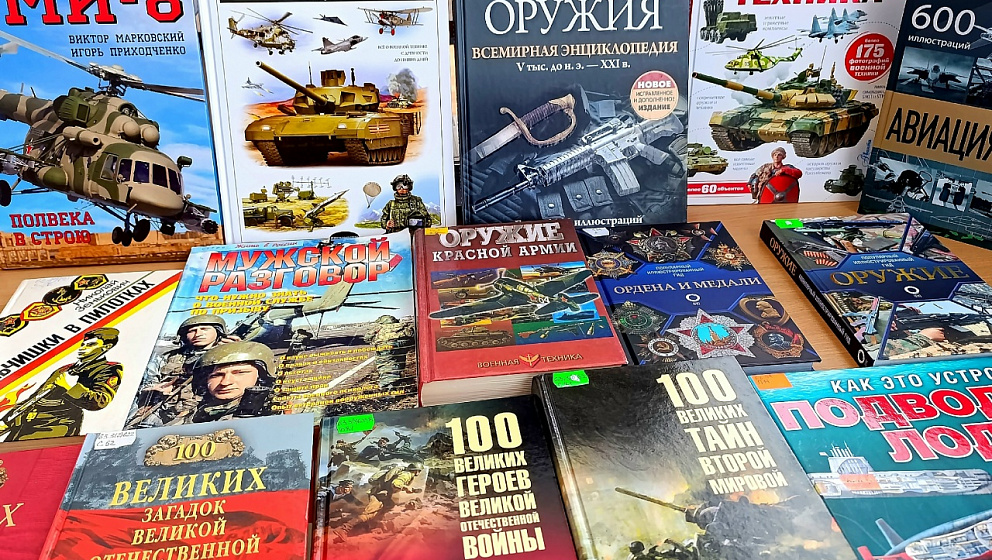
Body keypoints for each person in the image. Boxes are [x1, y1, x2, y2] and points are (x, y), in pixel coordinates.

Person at [1, 328, 122, 440]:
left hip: (55, 427)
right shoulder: (65, 369)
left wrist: (68, 387)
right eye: (83, 344)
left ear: (106, 347)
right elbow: (36, 397)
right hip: (23, 426)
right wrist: (6, 421)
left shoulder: (108, 369)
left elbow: (100, 401)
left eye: (91, 345)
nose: (83, 348)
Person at [130, 315, 236, 427]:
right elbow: (144, 382)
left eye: (205, 329)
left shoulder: (231, 354)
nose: (198, 334)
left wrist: (233, 353)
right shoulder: (169, 357)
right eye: (192, 331)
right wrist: (155, 387)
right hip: (162, 410)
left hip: (202, 414)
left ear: (218, 332)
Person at [188, 341, 277, 423]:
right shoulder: (195, 412)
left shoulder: (275, 409)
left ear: (261, 376)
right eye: (217, 375)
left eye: (240, 373)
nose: (225, 382)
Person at [364, 315, 416, 388]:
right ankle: (396, 381)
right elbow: (413, 335)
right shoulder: (402, 325)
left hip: (386, 345)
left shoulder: (380, 327)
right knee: (399, 360)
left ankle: (387, 386)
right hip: (403, 344)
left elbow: (367, 338)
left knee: (384, 364)